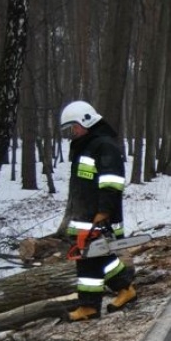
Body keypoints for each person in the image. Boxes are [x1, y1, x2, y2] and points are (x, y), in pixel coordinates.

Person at [59, 100, 137, 321]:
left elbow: (112, 182)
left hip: (98, 216)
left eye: (73, 128)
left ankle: (91, 305)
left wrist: (103, 212)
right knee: (94, 258)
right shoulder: (85, 146)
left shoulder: (104, 146)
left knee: (92, 258)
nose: (71, 133)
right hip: (84, 216)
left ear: (86, 121)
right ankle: (120, 291)